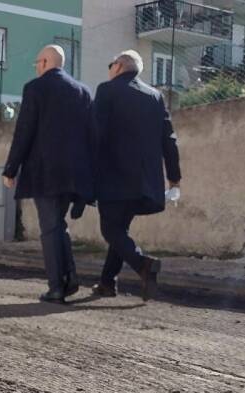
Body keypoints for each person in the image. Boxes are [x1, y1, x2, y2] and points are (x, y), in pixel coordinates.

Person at [3, 45, 96, 303]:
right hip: (74, 174)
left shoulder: (35, 88)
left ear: (44, 62)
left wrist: (11, 169)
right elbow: (92, 136)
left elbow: (24, 131)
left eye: (37, 62)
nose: (36, 66)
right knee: (58, 225)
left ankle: (56, 287)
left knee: (49, 229)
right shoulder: (83, 91)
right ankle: (70, 278)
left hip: (44, 171)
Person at [92, 50, 181, 301]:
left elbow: (95, 135)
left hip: (113, 177)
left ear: (119, 66)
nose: (109, 69)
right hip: (144, 182)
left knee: (111, 230)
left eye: (111, 64)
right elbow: (169, 139)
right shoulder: (155, 96)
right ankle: (107, 283)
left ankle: (143, 264)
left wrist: (87, 171)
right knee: (120, 231)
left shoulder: (107, 90)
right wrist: (174, 178)